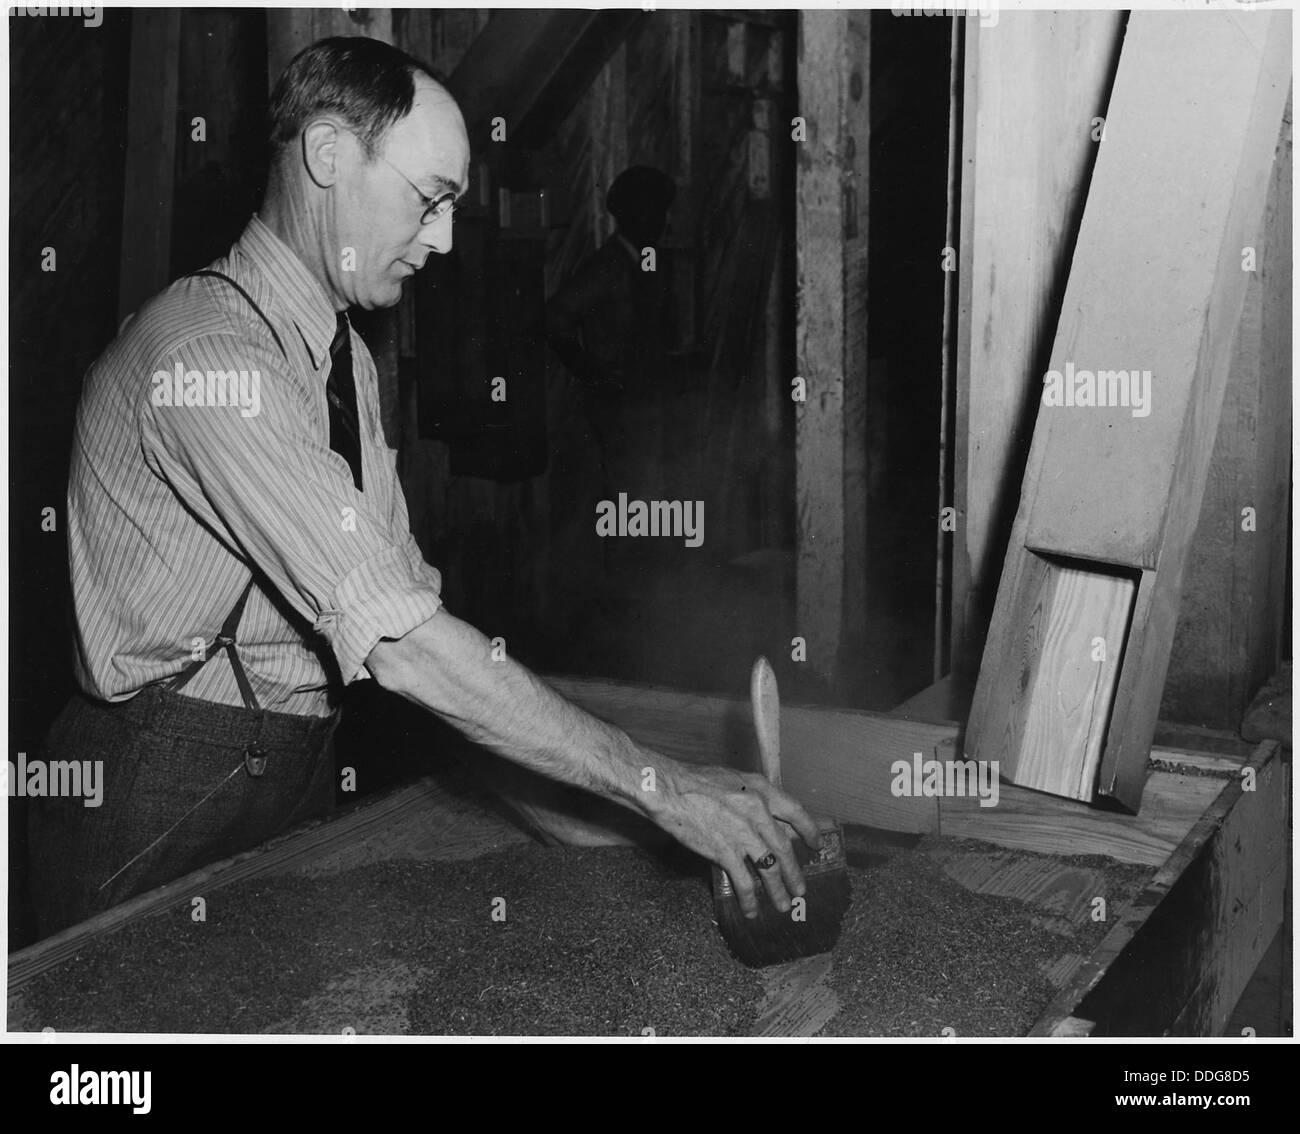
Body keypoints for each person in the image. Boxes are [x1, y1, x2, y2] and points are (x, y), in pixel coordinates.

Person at [28, 37, 817, 936]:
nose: (443, 239)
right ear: (328, 155)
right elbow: (406, 648)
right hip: (150, 805)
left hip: (285, 779)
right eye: (430, 199)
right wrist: (661, 787)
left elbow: (414, 645)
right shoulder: (210, 359)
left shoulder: (342, 361)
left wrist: (594, 822)